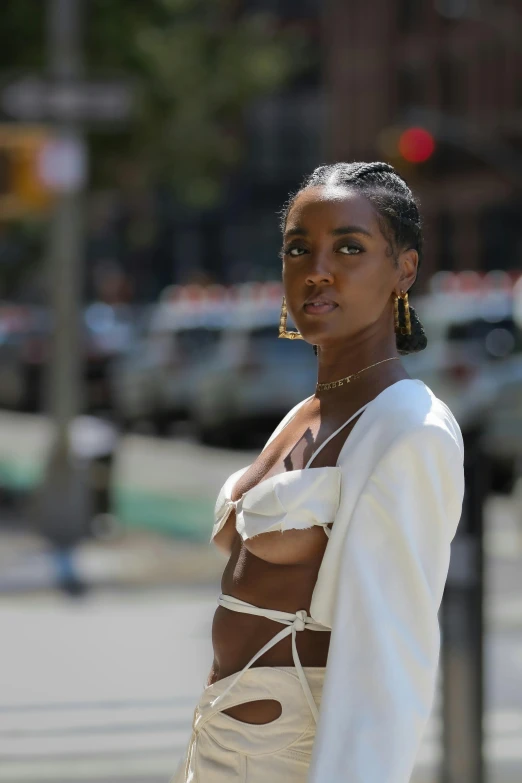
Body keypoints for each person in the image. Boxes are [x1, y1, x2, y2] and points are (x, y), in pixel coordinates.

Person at [171, 161, 465, 783]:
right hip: (217, 748)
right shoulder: (306, 413)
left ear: (404, 270)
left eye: (350, 247)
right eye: (299, 249)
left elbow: (391, 665)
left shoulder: (409, 429)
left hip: (290, 761)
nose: (318, 270)